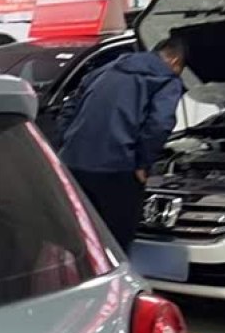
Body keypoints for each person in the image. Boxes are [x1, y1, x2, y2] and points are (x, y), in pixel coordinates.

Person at [58, 38, 187, 252]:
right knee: (116, 244)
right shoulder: (165, 79)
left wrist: (67, 141)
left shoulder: (105, 69)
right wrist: (143, 163)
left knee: (82, 240)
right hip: (117, 169)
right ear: (174, 61)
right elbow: (159, 124)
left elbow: (69, 106)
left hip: (73, 164)